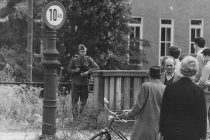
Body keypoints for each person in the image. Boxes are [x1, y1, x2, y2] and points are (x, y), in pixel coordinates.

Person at [159, 55, 207, 140]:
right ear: (195, 70)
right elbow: (202, 116)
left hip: (171, 131)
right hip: (191, 133)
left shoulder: (170, 88)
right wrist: (203, 135)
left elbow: (164, 111)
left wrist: (161, 131)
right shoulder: (198, 91)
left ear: (181, 68)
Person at [123, 66, 165, 140]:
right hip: (157, 126)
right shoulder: (165, 88)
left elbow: (139, 105)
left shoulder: (146, 86)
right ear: (160, 76)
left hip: (144, 124)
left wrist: (129, 114)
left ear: (150, 76)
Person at [67, 44, 99, 119]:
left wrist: (87, 72)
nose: (83, 53)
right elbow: (68, 70)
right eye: (81, 51)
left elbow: (96, 67)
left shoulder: (88, 59)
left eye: (84, 51)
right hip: (75, 83)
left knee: (84, 101)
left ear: (86, 52)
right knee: (74, 101)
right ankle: (75, 118)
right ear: (79, 52)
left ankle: (81, 117)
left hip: (85, 83)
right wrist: (75, 70)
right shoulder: (74, 60)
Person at [197, 48, 210, 139]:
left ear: (206, 55)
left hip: (207, 94)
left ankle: (206, 135)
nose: (203, 58)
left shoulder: (207, 67)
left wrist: (193, 85)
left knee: (204, 114)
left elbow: (202, 82)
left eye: (203, 56)